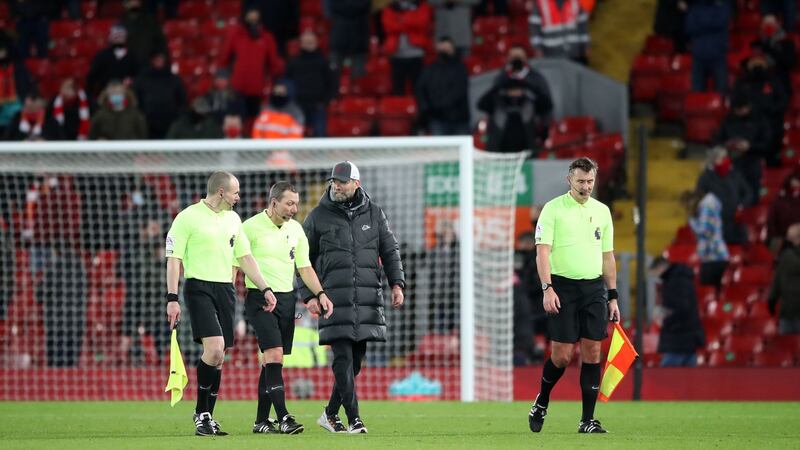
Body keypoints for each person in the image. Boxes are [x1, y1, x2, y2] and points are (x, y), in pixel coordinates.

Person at [165, 171, 278, 437]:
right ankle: (201, 413)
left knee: (220, 357)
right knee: (214, 350)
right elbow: (174, 260)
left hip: (225, 290)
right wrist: (172, 298)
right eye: (235, 192)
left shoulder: (234, 220)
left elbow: (245, 257)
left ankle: (207, 417)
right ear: (220, 192)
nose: (239, 197)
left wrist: (265, 287)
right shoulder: (187, 217)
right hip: (198, 287)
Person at [302, 161, 405, 434]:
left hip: (367, 299)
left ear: (356, 184)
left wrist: (397, 283)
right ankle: (354, 419)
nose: (336, 185)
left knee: (354, 362)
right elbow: (300, 261)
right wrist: (308, 296)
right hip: (332, 301)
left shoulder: (375, 213)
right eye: (334, 181)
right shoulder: (316, 217)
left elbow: (390, 250)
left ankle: (329, 413)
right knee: (343, 359)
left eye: (342, 181)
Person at [529, 157, 619, 434]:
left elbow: (608, 256)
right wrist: (547, 288)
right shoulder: (553, 209)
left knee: (593, 351)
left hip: (594, 289)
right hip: (562, 288)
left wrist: (613, 296)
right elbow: (542, 251)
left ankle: (587, 420)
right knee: (563, 356)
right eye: (581, 181)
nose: (586, 186)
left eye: (590, 181)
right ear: (569, 180)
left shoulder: (602, 211)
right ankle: (542, 401)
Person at [242, 181, 334, 435]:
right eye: (289, 203)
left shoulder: (296, 230)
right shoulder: (249, 228)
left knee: (272, 362)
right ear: (273, 203)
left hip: (287, 300)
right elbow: (235, 265)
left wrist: (320, 293)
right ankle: (283, 417)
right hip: (259, 298)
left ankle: (261, 421)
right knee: (273, 356)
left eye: (296, 203)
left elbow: (304, 268)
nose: (295, 208)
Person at [478, 46, 553, 154]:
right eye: (513, 57)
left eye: (520, 57)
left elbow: (547, 106)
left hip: (527, 139)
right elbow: (482, 104)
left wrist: (527, 87)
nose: (517, 61)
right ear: (508, 59)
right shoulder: (500, 79)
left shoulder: (536, 78)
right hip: (500, 141)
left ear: (526, 59)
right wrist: (503, 84)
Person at [218, 7, 285, 119]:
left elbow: (274, 63)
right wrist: (223, 76)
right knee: (235, 121)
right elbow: (224, 58)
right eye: (250, 15)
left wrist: (278, 80)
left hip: (257, 89)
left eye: (255, 16)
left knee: (253, 122)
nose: (253, 19)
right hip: (237, 88)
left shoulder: (267, 37)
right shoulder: (236, 35)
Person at [650, 256, 704, 366]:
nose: (656, 276)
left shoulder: (676, 281)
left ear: (661, 267)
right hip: (687, 335)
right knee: (689, 376)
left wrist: (665, 319)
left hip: (679, 336)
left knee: (666, 376)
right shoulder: (677, 279)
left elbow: (682, 308)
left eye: (655, 272)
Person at [695, 146, 753, 245]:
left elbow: (748, 193)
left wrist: (741, 205)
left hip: (734, 222)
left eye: (726, 157)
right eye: (722, 158)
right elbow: (698, 197)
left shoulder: (735, 175)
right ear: (714, 160)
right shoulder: (706, 177)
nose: (726, 160)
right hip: (714, 222)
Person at [415, 36, 471, 136]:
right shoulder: (430, 69)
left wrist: (439, 105)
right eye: (443, 48)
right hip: (437, 119)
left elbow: (460, 91)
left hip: (458, 119)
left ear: (453, 49)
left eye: (448, 48)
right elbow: (420, 89)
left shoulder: (461, 68)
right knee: (440, 150)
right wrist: (427, 108)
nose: (445, 51)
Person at [285, 31, 336, 137]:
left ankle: (320, 154)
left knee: (319, 135)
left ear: (316, 43)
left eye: (311, 42)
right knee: (295, 135)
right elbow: (287, 83)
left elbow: (332, 84)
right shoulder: (294, 62)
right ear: (301, 43)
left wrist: (324, 101)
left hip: (318, 105)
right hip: (298, 105)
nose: (308, 45)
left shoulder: (324, 62)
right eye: (306, 42)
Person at [382, 0, 433, 95]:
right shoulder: (390, 7)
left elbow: (422, 22)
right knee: (397, 90)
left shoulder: (421, 6)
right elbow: (388, 26)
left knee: (418, 89)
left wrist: (401, 20)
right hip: (396, 55)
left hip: (416, 54)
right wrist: (410, 21)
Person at [133, 49, 187, 139]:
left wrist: (177, 117)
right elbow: (136, 99)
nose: (159, 61)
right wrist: (142, 116)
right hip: (148, 123)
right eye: (156, 59)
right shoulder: (142, 79)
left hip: (170, 123)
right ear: (151, 60)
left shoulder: (174, 79)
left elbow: (182, 100)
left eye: (161, 59)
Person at [682, 189, 728, 289]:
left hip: (714, 256)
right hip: (714, 256)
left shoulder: (706, 207)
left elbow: (704, 231)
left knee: (710, 290)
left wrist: (692, 220)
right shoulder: (708, 206)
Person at [86, 25, 141, 104]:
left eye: (121, 35)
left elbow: (140, 77)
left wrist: (132, 81)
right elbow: (91, 78)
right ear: (110, 37)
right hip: (106, 96)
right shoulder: (101, 56)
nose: (118, 38)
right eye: (116, 35)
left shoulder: (133, 57)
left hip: (127, 95)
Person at [685, 0, 730, 94]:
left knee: (722, 93)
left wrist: (701, 23)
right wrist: (711, 23)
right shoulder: (695, 7)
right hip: (699, 55)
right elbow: (689, 27)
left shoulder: (723, 5)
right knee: (696, 94)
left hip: (718, 55)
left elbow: (721, 21)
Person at [768, 223, 800, 335]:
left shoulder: (785, 257)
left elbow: (776, 283)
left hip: (787, 312)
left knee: (786, 348)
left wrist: (771, 301)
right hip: (789, 313)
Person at [767, 170, 800, 254]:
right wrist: (785, 233)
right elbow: (772, 224)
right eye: (793, 184)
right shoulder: (779, 201)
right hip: (781, 238)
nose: (795, 186)